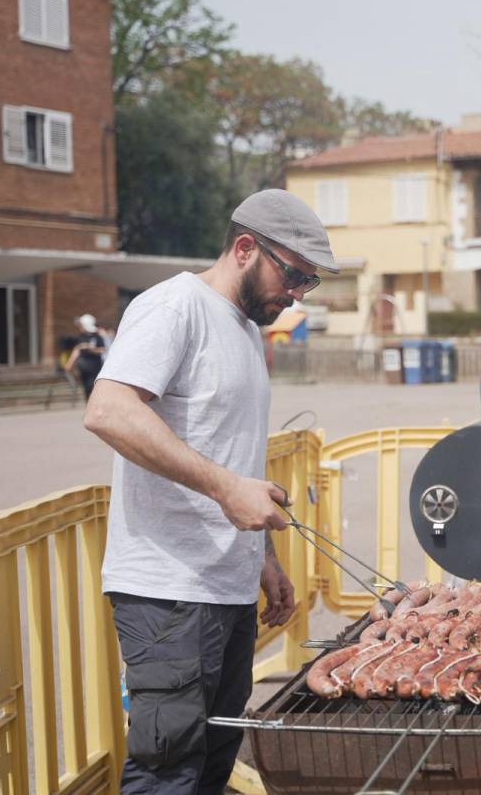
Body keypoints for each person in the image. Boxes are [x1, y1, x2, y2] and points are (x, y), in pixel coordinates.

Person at [83, 189, 340, 794]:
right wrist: (227, 489)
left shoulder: (247, 331)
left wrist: (265, 559)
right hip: (168, 593)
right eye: (295, 273)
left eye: (311, 281)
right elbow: (109, 411)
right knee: (167, 771)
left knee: (216, 759)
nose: (299, 293)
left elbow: (232, 454)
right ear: (245, 248)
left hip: (224, 590)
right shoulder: (174, 307)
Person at [65, 314, 106, 398]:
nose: (80, 327)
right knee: (86, 388)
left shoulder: (97, 336)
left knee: (92, 387)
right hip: (83, 367)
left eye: (82, 325)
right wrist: (70, 363)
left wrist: (91, 349)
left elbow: (103, 349)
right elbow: (77, 350)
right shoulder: (81, 337)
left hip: (94, 366)